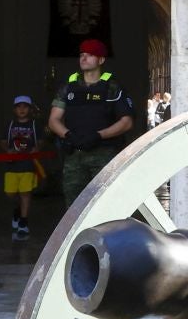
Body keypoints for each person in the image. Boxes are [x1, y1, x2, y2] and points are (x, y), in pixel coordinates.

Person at [48, 39, 137, 204]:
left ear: (101, 60)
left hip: (104, 156)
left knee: (105, 204)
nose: (84, 58)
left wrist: (99, 135)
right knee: (73, 207)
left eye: (90, 55)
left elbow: (127, 122)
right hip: (75, 156)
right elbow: (54, 120)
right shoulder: (68, 87)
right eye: (82, 55)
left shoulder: (112, 87)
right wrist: (68, 135)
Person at [2, 94, 40, 241]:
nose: (22, 109)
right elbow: (3, 141)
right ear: (14, 109)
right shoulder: (9, 125)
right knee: (10, 194)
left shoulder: (35, 125)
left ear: (30, 109)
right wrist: (7, 150)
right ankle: (18, 210)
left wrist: (37, 148)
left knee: (25, 192)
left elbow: (41, 141)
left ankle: (23, 222)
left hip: (28, 165)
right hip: (12, 165)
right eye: (19, 107)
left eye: (25, 106)